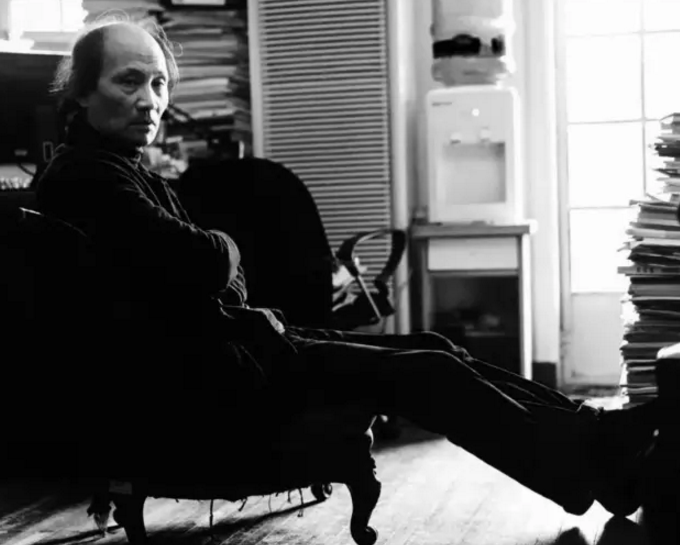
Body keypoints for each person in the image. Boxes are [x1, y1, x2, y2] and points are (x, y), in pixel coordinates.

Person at [36, 17, 659, 520]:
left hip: (236, 348)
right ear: (82, 92)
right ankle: (591, 460)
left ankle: (593, 445)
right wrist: (223, 246)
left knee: (435, 346)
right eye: (128, 82)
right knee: (430, 370)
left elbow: (206, 273)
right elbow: (207, 262)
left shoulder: (120, 169)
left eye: (159, 84)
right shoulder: (88, 177)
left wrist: (216, 259)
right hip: (210, 377)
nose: (150, 101)